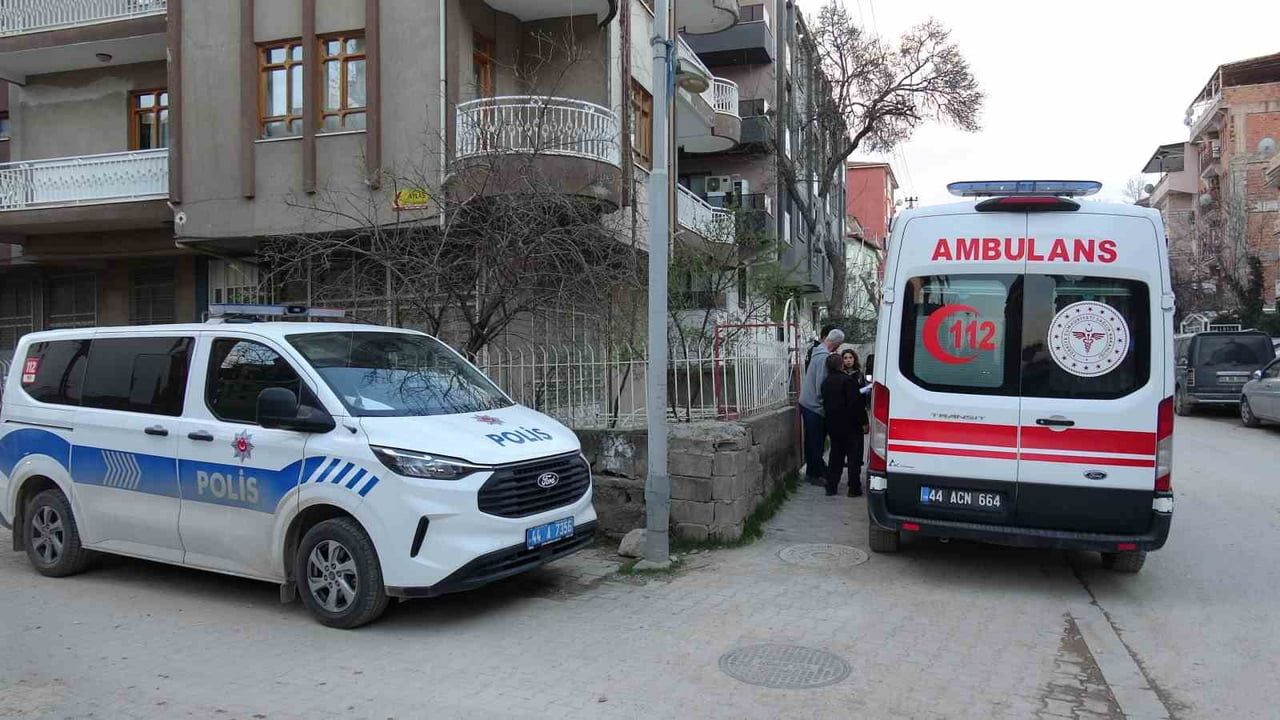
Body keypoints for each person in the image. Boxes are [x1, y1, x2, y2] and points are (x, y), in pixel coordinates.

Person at [798, 327, 844, 485]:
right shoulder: (824, 358)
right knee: (816, 442)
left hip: (806, 402)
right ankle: (815, 474)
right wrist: (828, 406)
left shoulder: (817, 351)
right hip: (814, 405)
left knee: (811, 440)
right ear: (836, 344)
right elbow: (821, 387)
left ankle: (814, 470)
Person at [820, 352, 869, 497]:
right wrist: (864, 422)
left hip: (834, 425)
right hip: (851, 425)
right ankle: (854, 488)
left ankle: (831, 487)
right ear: (841, 365)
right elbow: (856, 404)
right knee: (854, 457)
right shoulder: (848, 381)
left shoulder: (825, 383)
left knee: (836, 456)